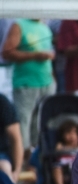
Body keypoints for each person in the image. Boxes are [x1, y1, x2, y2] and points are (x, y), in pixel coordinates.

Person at [1, 18, 56, 153]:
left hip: (46, 82)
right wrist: (35, 55)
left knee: (41, 122)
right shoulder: (19, 25)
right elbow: (7, 52)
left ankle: (39, 156)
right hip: (26, 83)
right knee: (23, 122)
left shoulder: (44, 26)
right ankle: (23, 158)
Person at [52, 119, 78, 184]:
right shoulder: (60, 146)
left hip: (76, 166)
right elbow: (57, 150)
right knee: (56, 167)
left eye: (74, 133)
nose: (71, 136)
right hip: (63, 167)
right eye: (68, 133)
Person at [0, 93, 22, 183]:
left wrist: (17, 170)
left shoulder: (3, 103)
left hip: (1, 154)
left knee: (4, 167)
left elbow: (16, 139)